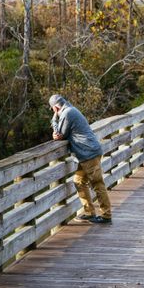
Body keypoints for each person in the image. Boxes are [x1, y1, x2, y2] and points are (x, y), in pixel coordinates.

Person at [49, 94, 112, 224]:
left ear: (55, 108)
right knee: (78, 181)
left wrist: (54, 120)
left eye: (52, 110)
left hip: (88, 153)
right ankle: (89, 212)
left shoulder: (67, 113)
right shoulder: (71, 110)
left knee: (97, 184)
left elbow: (60, 134)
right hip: (86, 153)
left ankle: (106, 215)